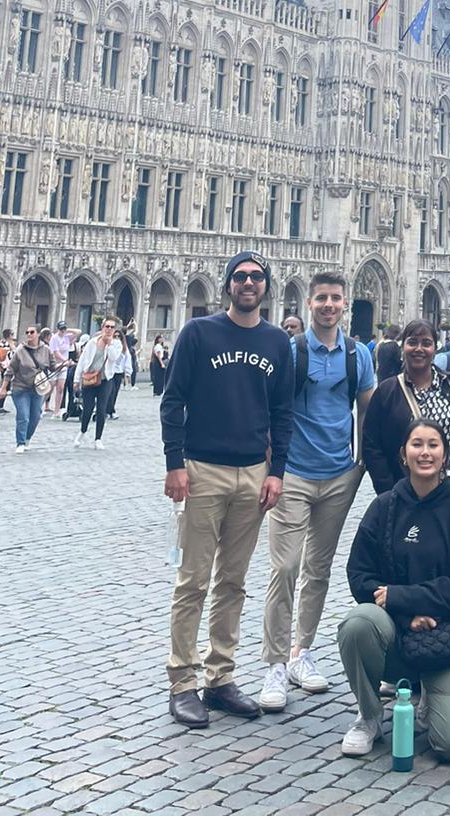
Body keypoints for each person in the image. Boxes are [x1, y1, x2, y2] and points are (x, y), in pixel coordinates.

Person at [161, 250, 294, 728]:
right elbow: (172, 401)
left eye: (256, 277)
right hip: (202, 470)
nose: (248, 283)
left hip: (253, 475)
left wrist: (277, 472)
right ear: (228, 285)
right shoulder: (199, 333)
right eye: (240, 277)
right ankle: (182, 682)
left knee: (233, 582)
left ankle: (220, 677)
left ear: (266, 286)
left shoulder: (277, 342)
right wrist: (175, 464)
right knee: (192, 581)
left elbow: (282, 413)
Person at [338, 420, 450, 761]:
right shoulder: (383, 507)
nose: (425, 452)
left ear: (445, 455)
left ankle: (432, 695)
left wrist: (403, 597)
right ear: (403, 455)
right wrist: (407, 614)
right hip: (397, 631)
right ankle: (369, 716)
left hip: (449, 635)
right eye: (416, 444)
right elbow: (359, 574)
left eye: (433, 445)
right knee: (358, 623)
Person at [259, 271, 376, 711]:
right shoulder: (291, 352)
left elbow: (368, 412)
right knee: (285, 567)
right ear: (309, 303)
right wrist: (273, 467)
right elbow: (271, 410)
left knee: (318, 569)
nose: (329, 305)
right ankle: (274, 663)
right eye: (322, 298)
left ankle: (300, 652)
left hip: (339, 476)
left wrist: (360, 465)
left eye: (336, 299)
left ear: (345, 304)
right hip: (293, 474)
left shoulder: (358, 355)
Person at [361, 320, 450, 496]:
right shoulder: (386, 392)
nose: (419, 349)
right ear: (403, 347)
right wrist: (389, 490)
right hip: (406, 492)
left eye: (426, 343)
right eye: (412, 342)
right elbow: (371, 445)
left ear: (435, 349)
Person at [2, 326, 54, 452]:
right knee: (23, 416)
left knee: (36, 416)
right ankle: (20, 443)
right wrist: (3, 388)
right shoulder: (20, 350)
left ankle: (27, 439)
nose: (29, 334)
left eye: (32, 332)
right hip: (21, 388)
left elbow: (53, 366)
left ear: (38, 334)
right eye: (27, 332)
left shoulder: (46, 350)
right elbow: (10, 370)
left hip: (38, 388)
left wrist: (64, 364)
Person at [74, 320, 118, 448]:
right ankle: (82, 431)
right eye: (107, 326)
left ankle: (98, 438)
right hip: (90, 378)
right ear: (102, 328)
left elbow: (114, 358)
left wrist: (109, 344)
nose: (109, 329)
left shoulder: (116, 344)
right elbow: (82, 360)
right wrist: (76, 380)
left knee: (101, 408)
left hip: (105, 379)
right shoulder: (92, 343)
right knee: (87, 408)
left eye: (112, 327)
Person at [105, 327, 132, 419]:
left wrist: (128, 372)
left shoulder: (124, 348)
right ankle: (109, 410)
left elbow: (127, 359)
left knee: (115, 392)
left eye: (118, 336)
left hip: (118, 372)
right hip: (110, 371)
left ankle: (110, 410)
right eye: (115, 336)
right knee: (110, 391)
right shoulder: (109, 346)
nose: (117, 338)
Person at [47, 323, 72, 415]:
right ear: (58, 329)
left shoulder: (67, 337)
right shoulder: (54, 338)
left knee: (60, 388)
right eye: (61, 329)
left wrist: (68, 330)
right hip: (55, 364)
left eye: (64, 328)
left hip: (64, 366)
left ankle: (56, 411)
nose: (63, 330)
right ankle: (40, 406)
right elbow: (56, 353)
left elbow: (78, 332)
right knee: (50, 387)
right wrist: (65, 360)